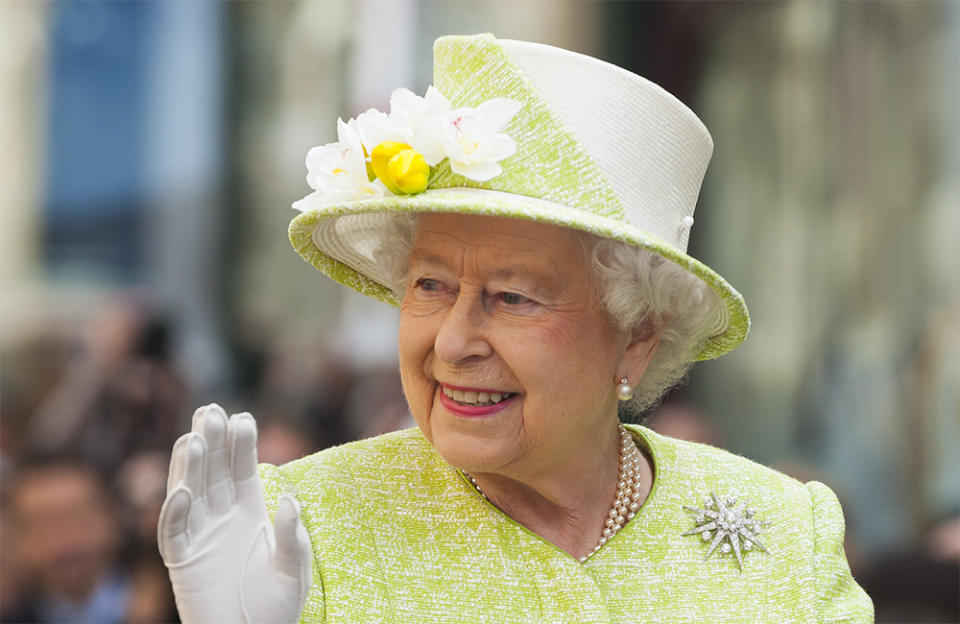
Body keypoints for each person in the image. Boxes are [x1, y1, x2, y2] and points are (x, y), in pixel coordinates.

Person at [158, 34, 873, 622]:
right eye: (431, 286)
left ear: (638, 336)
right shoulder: (295, 528)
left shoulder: (783, 531)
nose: (451, 342)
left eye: (512, 298)